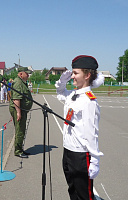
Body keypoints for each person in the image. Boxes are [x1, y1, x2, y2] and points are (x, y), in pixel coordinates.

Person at [55, 55, 104, 200]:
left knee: (84, 195)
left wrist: (95, 160)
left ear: (88, 75)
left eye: (76, 73)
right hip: (68, 150)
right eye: (72, 73)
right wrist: (61, 82)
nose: (72, 77)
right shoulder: (73, 95)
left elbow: (92, 132)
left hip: (81, 155)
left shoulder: (89, 101)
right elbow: (60, 93)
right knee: (72, 190)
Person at [9, 67, 33, 158]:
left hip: (21, 109)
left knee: (22, 129)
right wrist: (18, 112)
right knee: (20, 130)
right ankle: (18, 151)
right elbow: (16, 99)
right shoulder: (18, 83)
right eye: (27, 73)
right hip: (17, 109)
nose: (28, 75)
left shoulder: (22, 82)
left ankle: (20, 149)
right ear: (21, 74)